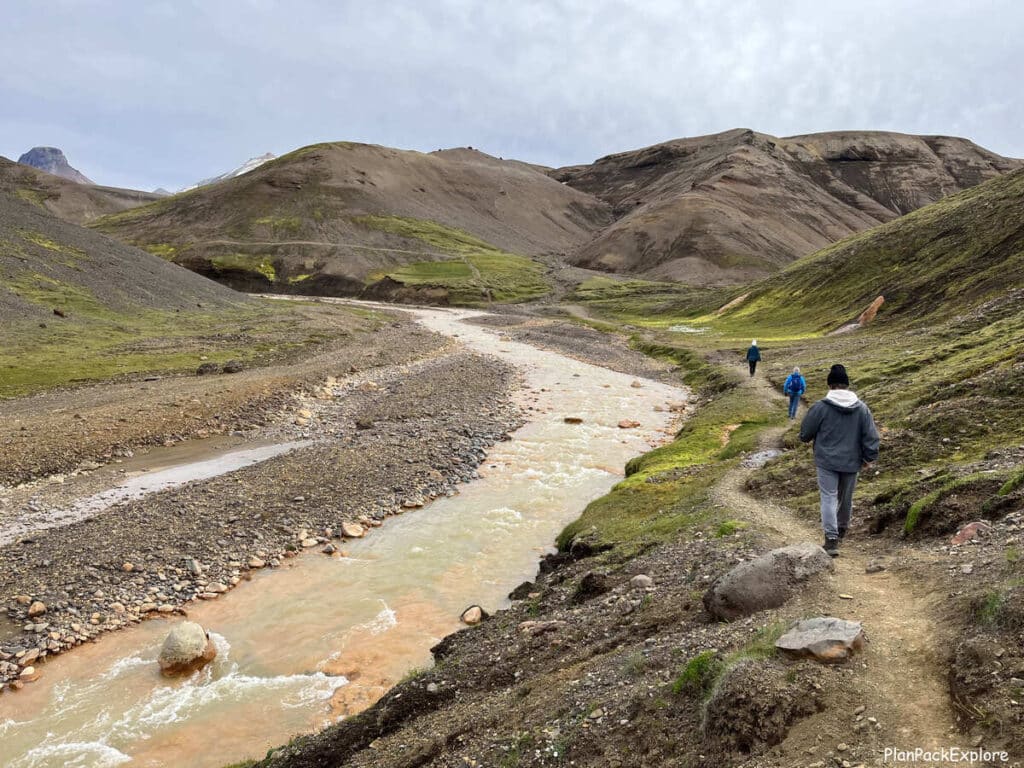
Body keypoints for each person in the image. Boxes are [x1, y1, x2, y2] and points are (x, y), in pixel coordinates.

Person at [799, 364, 880, 557]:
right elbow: (871, 436)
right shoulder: (862, 408)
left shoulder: (820, 407)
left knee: (828, 497)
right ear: (847, 385)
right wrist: (869, 458)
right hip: (852, 461)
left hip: (826, 461)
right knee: (846, 498)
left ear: (830, 386)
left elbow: (805, 434)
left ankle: (831, 539)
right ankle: (842, 530)